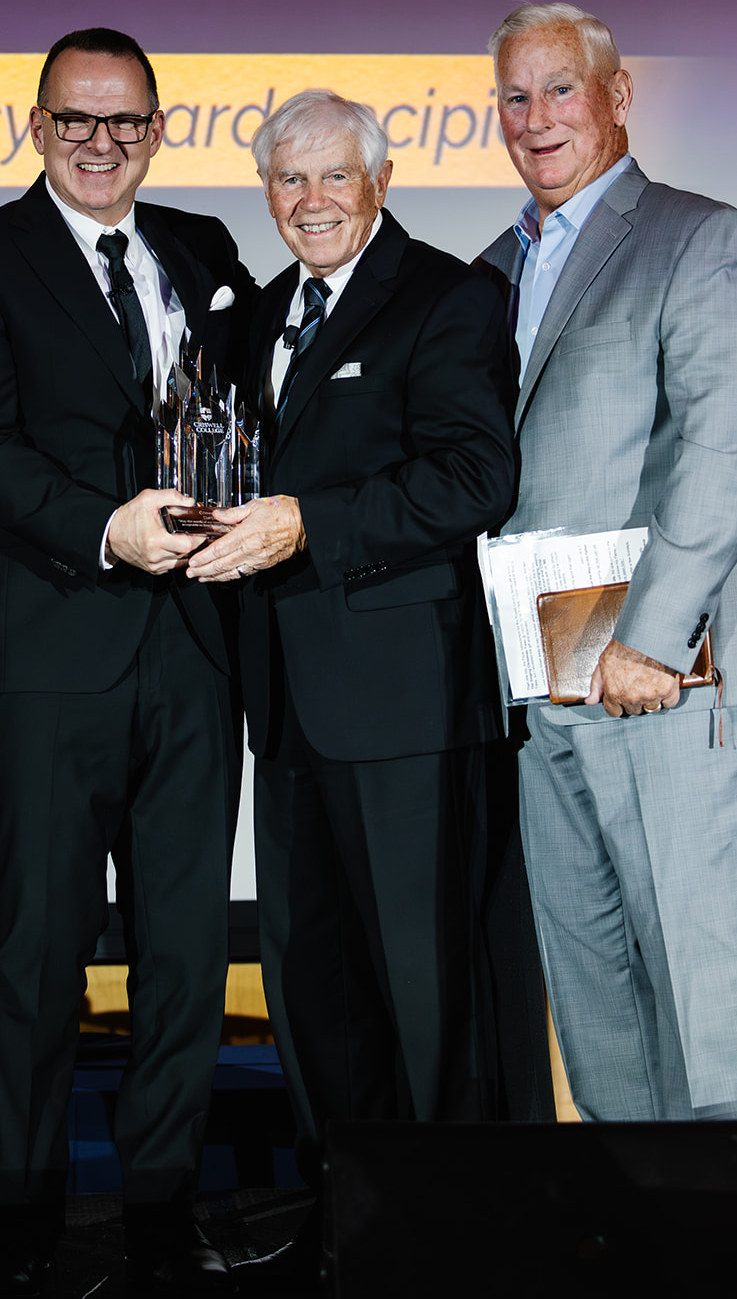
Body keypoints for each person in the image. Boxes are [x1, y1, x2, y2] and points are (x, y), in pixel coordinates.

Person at [0, 27, 257, 1295]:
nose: (101, 143)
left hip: (195, 647)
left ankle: (161, 1205)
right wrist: (104, 527)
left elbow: (249, 411)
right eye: (77, 119)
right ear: (39, 125)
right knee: (38, 949)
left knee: (184, 949)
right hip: (51, 647)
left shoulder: (203, 247)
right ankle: (22, 1211)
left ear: (158, 129)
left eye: (125, 121)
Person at [187, 90, 515, 1281]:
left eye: (334, 176)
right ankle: (347, 1229)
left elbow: (475, 477)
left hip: (405, 699)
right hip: (282, 701)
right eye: (289, 180)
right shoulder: (252, 317)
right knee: (310, 985)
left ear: (379, 181)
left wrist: (305, 525)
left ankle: (450, 1240)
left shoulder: (445, 296)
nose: (311, 200)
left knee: (423, 990)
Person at [476, 2, 737, 1123]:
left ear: (616, 97)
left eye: (560, 89)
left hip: (665, 672)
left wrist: (649, 638)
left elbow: (730, 440)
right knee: (593, 992)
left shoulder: (699, 238)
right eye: (515, 96)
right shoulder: (488, 272)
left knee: (704, 988)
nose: (536, 117)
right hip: (541, 680)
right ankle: (638, 1215)